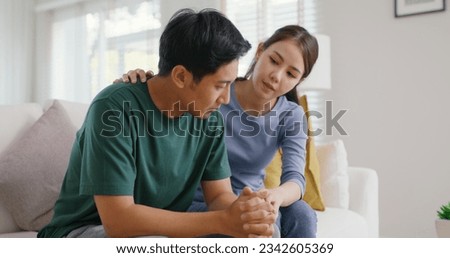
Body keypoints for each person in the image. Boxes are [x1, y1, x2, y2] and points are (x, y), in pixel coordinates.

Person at [37, 8, 277, 238]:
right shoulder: (113, 108)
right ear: (181, 76)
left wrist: (245, 213)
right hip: (84, 231)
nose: (226, 99)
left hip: (160, 233)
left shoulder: (208, 118)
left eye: (230, 84)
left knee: (259, 233)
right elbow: (118, 221)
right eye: (219, 85)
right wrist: (222, 221)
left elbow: (218, 197)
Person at [119, 25, 319, 237]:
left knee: (301, 213)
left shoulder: (291, 115)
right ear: (260, 51)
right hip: (198, 202)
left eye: (290, 73)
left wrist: (273, 197)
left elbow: (295, 179)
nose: (276, 76)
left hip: (253, 199)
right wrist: (141, 80)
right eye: (274, 61)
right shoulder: (214, 91)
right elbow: (172, 87)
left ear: (300, 81)